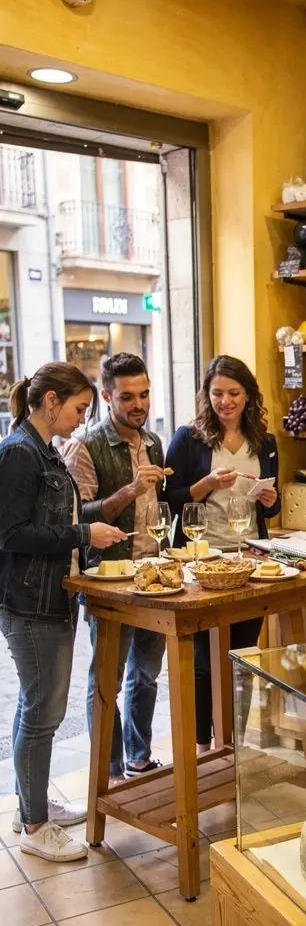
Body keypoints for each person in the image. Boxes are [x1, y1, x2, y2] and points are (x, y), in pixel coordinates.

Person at [0, 364, 127, 862]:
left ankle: (30, 805)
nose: (81, 420)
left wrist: (95, 525)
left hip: (52, 596)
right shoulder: (19, 454)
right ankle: (35, 825)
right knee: (43, 712)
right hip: (31, 603)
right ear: (51, 401)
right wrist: (82, 536)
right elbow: (10, 535)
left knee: (37, 708)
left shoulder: (44, 451)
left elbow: (67, 518)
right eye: (78, 409)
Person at [165, 355, 279, 752]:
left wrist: (269, 498)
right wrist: (206, 484)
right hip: (200, 559)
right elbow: (170, 499)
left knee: (243, 655)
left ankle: (231, 744)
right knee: (201, 659)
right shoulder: (188, 439)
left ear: (248, 396)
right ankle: (200, 745)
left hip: (249, 558)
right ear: (206, 395)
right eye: (217, 393)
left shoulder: (264, 442)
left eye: (233, 393)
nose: (225, 401)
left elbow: (270, 509)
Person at [63, 353, 167, 778]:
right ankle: (107, 770)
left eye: (143, 394)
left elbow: (158, 509)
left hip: (156, 576)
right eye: (127, 397)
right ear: (106, 396)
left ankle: (138, 759)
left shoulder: (154, 442)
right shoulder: (84, 445)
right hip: (110, 580)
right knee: (107, 679)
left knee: (146, 674)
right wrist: (130, 489)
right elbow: (79, 517)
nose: (138, 404)